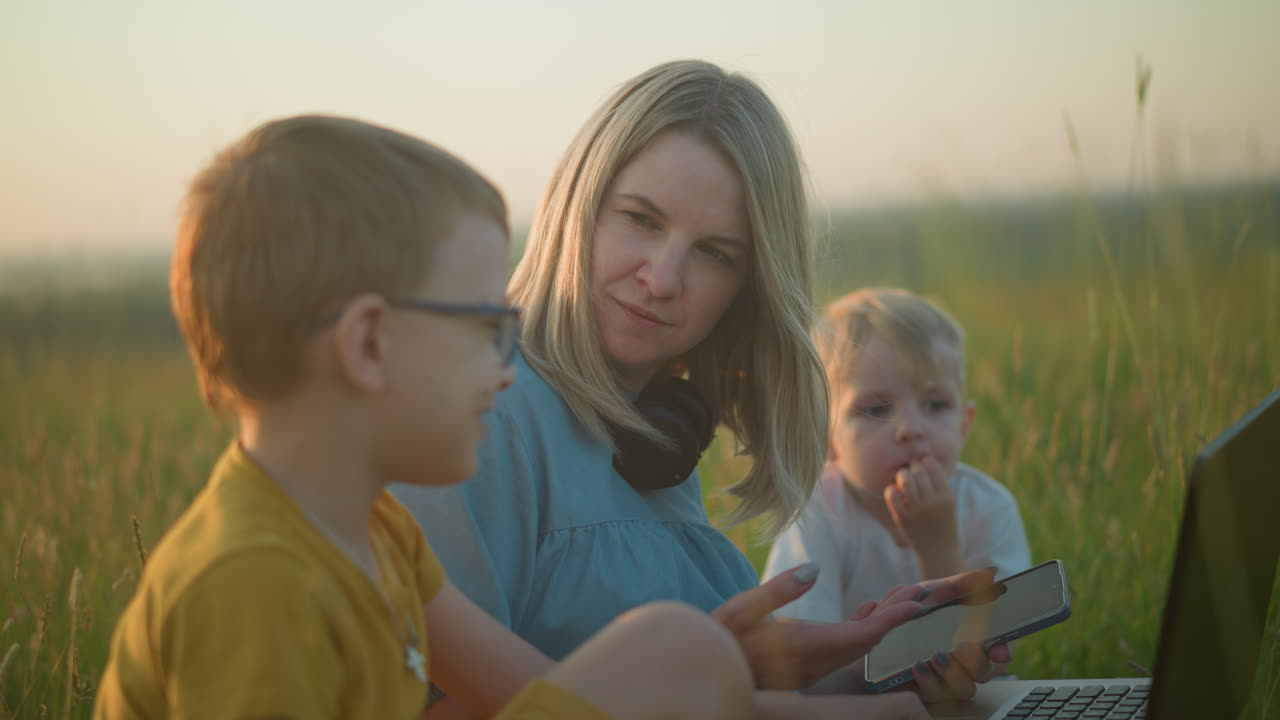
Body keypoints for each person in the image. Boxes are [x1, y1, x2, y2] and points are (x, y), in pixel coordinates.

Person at [393, 60, 1008, 717]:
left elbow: (706, 697)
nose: (661, 279)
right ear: (577, 206)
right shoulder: (482, 408)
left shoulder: (661, 440)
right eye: (640, 219)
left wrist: (867, 671)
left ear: (748, 290)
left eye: (715, 253)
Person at [93, 114, 758, 720]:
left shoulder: (381, 532)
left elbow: (532, 695)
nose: (506, 368)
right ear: (368, 345)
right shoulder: (250, 584)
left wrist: (713, 674)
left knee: (675, 646)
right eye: (483, 325)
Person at [763, 288, 1032, 625]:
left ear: (964, 425)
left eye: (935, 405)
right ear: (826, 438)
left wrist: (938, 549)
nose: (910, 429)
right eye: (876, 409)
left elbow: (990, 644)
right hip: (848, 663)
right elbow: (799, 639)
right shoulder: (818, 512)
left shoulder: (988, 509)